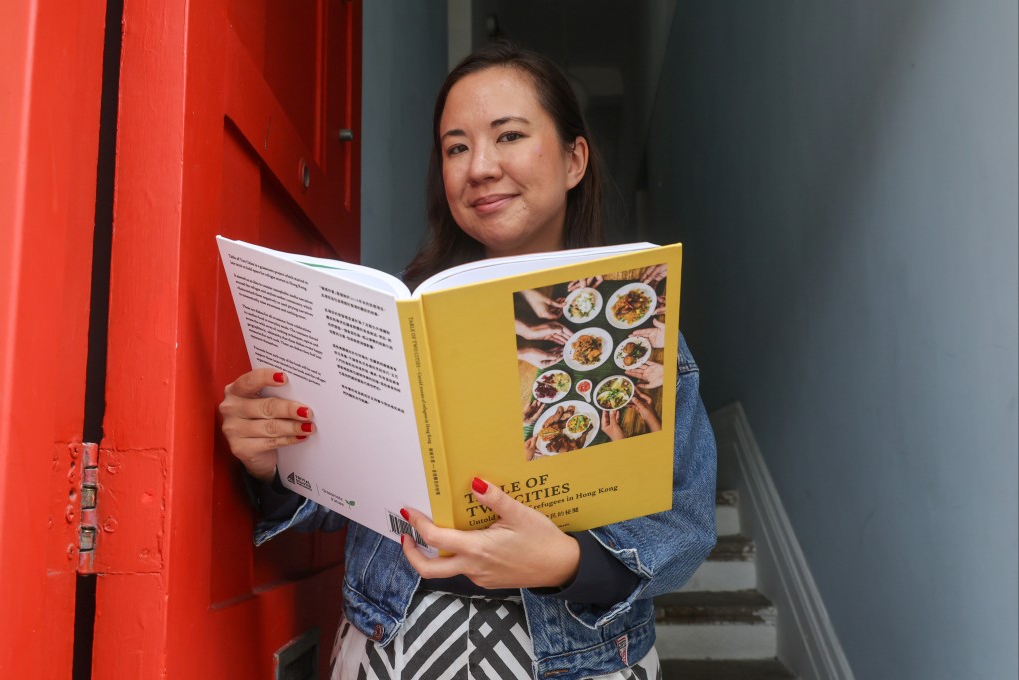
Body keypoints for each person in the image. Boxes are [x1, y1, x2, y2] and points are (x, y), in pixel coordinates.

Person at [218, 42, 717, 680]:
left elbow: (686, 521)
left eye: (508, 135)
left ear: (574, 159)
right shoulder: (397, 323)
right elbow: (347, 496)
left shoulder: (634, 323)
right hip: (390, 645)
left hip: (578, 662)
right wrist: (272, 461)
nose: (479, 167)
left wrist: (565, 562)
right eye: (456, 147)